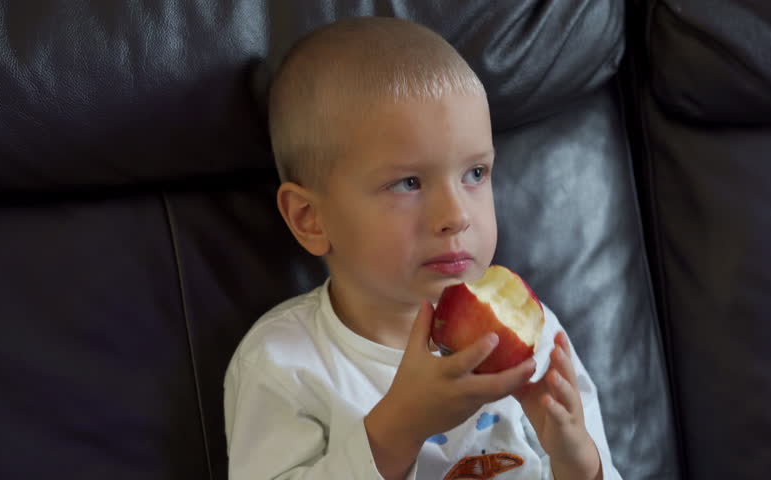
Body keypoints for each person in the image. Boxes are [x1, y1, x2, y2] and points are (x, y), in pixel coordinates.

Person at [224, 16, 622, 480]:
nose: (456, 215)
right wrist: (396, 432)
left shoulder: (536, 335)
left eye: (475, 174)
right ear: (310, 219)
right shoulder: (284, 363)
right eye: (408, 183)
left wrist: (577, 459)